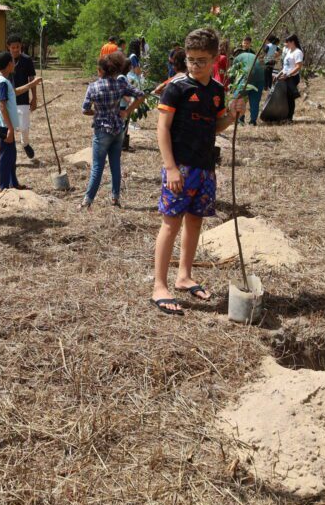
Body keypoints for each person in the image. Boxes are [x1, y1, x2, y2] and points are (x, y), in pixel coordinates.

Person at [151, 28, 244, 315]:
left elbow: (215, 126)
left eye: (202, 60)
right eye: (191, 60)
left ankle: (184, 275)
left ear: (216, 59)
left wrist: (231, 115)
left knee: (194, 221)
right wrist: (171, 168)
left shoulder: (217, 91)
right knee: (171, 223)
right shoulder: (176, 88)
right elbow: (162, 128)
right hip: (180, 167)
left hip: (205, 168)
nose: (195, 65)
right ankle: (159, 286)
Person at [80, 51, 147, 209]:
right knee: (115, 164)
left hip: (102, 130)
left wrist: (97, 112)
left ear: (101, 71)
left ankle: (87, 201)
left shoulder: (93, 87)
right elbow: (141, 95)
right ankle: (115, 198)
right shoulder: (120, 84)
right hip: (118, 128)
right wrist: (127, 111)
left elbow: (84, 110)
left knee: (97, 166)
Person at [0, 51, 43, 190]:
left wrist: (32, 84)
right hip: (4, 125)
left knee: (11, 155)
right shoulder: (2, 82)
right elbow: (3, 106)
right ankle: (3, 187)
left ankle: (13, 183)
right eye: (13, 62)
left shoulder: (2, 79)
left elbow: (14, 92)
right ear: (9, 64)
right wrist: (9, 128)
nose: (15, 64)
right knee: (6, 157)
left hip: (5, 124)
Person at [7, 35, 38, 159]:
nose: (15, 49)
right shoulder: (5, 60)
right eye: (13, 47)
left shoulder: (27, 60)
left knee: (24, 127)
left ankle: (25, 143)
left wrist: (34, 97)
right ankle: (11, 154)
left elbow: (31, 79)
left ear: (21, 46)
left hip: (23, 99)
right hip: (9, 100)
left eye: (18, 47)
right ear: (8, 47)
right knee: (10, 129)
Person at [232, 40, 266, 125]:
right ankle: (253, 121)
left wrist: (233, 87)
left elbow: (233, 75)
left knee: (238, 97)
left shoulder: (237, 58)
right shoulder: (253, 55)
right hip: (260, 77)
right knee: (255, 99)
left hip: (248, 75)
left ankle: (240, 119)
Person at [277, 34, 304, 121]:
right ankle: (284, 115)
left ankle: (289, 118)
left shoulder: (298, 52)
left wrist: (288, 75)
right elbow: (286, 66)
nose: (286, 44)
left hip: (292, 78)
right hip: (285, 77)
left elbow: (298, 66)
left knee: (290, 98)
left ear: (293, 42)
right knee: (285, 97)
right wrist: (279, 74)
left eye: (287, 42)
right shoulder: (289, 51)